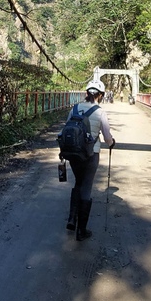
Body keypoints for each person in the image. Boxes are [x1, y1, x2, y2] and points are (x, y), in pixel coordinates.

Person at [65, 79, 115, 241]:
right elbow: (107, 137)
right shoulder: (100, 112)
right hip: (90, 155)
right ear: (101, 95)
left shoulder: (74, 108)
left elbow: (66, 129)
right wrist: (112, 143)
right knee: (86, 187)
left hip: (74, 154)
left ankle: (72, 219)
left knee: (78, 183)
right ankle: (81, 231)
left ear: (86, 93)